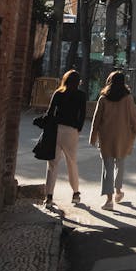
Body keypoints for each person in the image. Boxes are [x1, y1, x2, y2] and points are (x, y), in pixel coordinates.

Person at [89, 70, 136, 209]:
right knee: (120, 165)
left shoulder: (103, 98)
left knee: (107, 168)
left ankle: (109, 201)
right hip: (123, 137)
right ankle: (118, 192)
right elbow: (134, 119)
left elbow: (96, 119)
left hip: (106, 137)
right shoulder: (128, 98)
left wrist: (93, 136)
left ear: (110, 81)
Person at [44, 68, 87, 207]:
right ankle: (75, 193)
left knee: (52, 164)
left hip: (56, 129)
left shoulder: (58, 93)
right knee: (72, 162)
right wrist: (78, 129)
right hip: (71, 131)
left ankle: (49, 197)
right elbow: (82, 115)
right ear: (78, 82)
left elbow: (50, 112)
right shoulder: (81, 95)